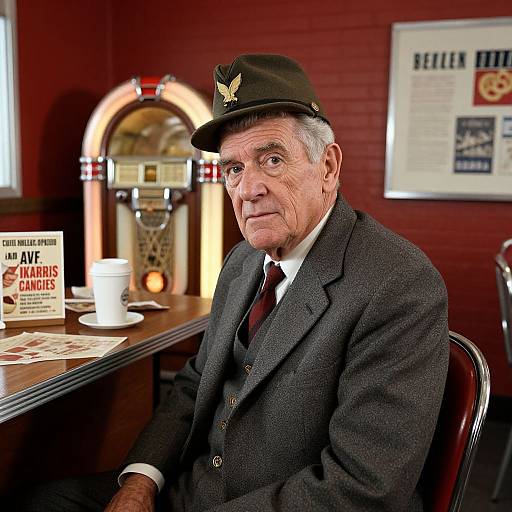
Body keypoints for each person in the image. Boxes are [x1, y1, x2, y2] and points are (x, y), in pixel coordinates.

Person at [13, 54, 449, 511]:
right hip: (189, 489)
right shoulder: (242, 262)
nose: (247, 189)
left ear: (328, 167)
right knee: (39, 502)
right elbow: (193, 383)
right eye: (234, 169)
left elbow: (363, 490)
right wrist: (141, 481)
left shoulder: (399, 284)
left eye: (272, 159)